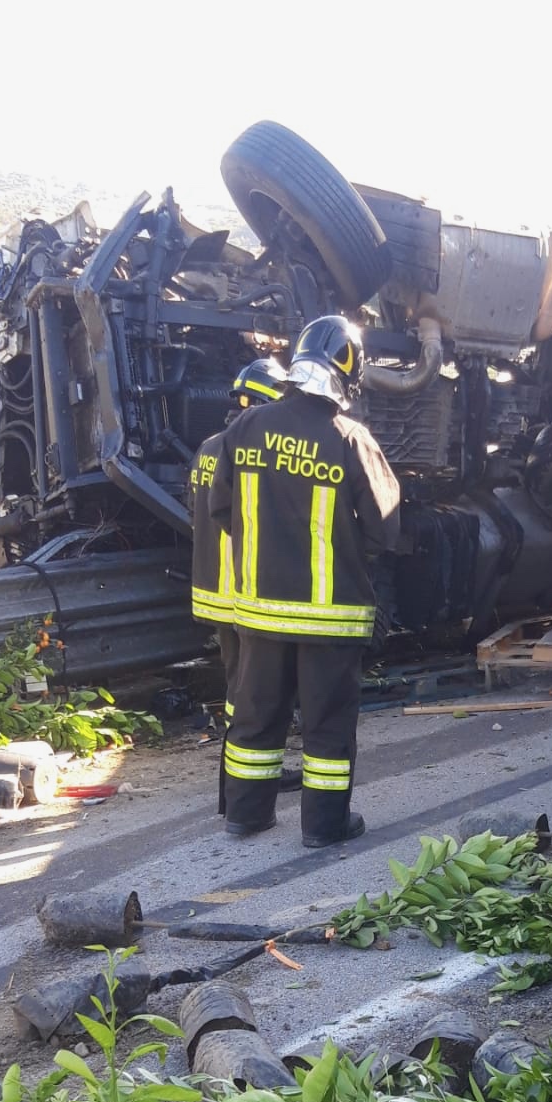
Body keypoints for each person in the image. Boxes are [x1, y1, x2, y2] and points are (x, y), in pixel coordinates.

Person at [209, 314, 401, 846]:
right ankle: (323, 826)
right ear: (347, 372)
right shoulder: (350, 438)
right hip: (330, 618)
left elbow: (221, 509)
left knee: (256, 717)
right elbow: (385, 529)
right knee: (327, 724)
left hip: (259, 611)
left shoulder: (245, 428)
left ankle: (246, 815)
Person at [190, 355, 292, 810]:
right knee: (254, 693)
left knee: (238, 686)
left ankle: (234, 780)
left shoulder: (207, 448)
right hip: (246, 592)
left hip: (214, 590)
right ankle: (247, 781)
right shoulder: (256, 452)